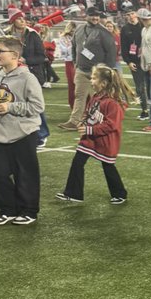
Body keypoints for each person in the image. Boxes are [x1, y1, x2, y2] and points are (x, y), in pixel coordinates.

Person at [0, 35, 45, 226]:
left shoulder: (27, 77)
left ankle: (29, 210)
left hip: (23, 133)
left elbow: (37, 106)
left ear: (15, 55)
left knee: (25, 174)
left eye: (0, 51)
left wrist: (10, 107)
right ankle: (7, 209)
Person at [56, 64, 130, 205]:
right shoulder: (96, 97)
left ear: (103, 83)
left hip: (106, 141)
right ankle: (73, 193)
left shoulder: (113, 103)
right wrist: (83, 122)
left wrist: (90, 130)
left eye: (94, 78)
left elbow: (111, 125)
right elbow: (88, 112)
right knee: (77, 162)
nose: (91, 81)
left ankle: (120, 193)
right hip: (90, 140)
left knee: (108, 167)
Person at [60, 7, 117, 129]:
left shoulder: (104, 33)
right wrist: (76, 63)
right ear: (86, 16)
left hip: (97, 72)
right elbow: (74, 47)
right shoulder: (79, 29)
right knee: (79, 96)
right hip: (81, 70)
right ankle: (74, 121)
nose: (95, 18)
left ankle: (102, 122)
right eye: (92, 15)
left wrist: (106, 72)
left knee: (99, 99)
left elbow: (111, 53)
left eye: (97, 16)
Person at [7, 8, 50, 148]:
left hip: (32, 74)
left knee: (35, 104)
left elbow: (42, 56)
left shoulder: (32, 34)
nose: (22, 21)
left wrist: (26, 60)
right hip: (13, 74)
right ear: (13, 21)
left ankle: (42, 134)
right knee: (16, 103)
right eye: (19, 18)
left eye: (23, 18)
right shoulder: (6, 35)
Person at [119, 4, 148, 120]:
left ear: (136, 14)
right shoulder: (125, 29)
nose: (131, 16)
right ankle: (145, 110)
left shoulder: (144, 25)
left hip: (148, 61)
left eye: (132, 13)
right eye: (128, 14)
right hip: (135, 61)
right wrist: (128, 62)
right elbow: (124, 47)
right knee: (140, 88)